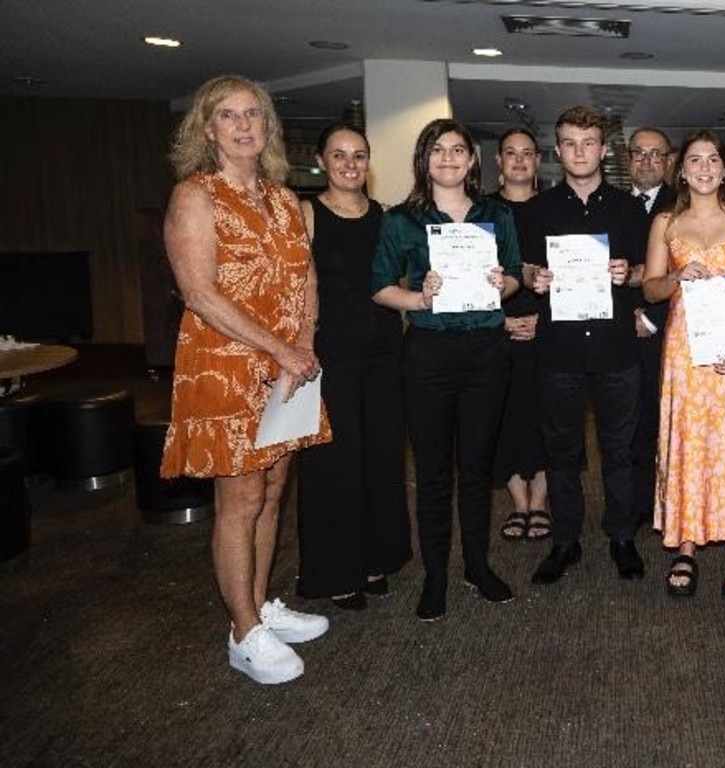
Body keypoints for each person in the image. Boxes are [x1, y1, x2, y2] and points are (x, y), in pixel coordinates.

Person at [160, 74, 331, 685]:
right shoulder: (195, 196)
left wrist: (303, 347)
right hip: (226, 364)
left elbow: (307, 279)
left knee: (273, 491)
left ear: (267, 127)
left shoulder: (285, 198)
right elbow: (199, 293)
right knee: (240, 500)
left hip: (288, 366)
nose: (242, 125)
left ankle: (258, 608)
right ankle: (241, 633)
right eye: (228, 116)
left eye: (253, 114)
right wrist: (282, 349)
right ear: (207, 128)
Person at [370, 118, 522, 622]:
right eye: (439, 150)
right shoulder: (400, 220)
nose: (450, 159)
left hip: (486, 352)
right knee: (433, 473)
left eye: (459, 150)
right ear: (424, 159)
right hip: (429, 354)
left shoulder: (496, 213)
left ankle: (476, 566)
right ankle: (435, 576)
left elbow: (516, 278)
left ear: (472, 160)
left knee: (476, 470)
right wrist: (420, 296)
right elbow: (380, 285)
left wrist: (501, 283)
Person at [518, 106, 649, 584]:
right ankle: (565, 541)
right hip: (561, 350)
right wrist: (536, 278)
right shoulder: (538, 210)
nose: (579, 151)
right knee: (561, 451)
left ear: (603, 149)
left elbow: (645, 275)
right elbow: (526, 271)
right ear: (558, 150)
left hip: (616, 348)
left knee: (620, 448)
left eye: (588, 142)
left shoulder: (630, 210)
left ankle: (621, 536)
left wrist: (627, 273)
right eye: (570, 143)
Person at [643, 129, 725, 600]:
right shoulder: (665, 223)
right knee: (688, 442)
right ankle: (687, 546)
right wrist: (675, 277)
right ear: (681, 169)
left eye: (712, 159)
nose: (703, 167)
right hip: (683, 352)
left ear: (723, 167)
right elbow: (650, 288)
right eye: (694, 159)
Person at [295, 123, 411, 611]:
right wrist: (301, 345)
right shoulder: (307, 213)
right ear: (323, 160)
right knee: (333, 462)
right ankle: (337, 570)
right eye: (339, 155)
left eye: (359, 155)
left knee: (382, 458)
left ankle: (374, 558)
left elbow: (399, 280)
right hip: (331, 354)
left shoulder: (385, 216)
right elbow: (302, 284)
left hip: (385, 350)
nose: (349, 164)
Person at [488, 128, 550, 542]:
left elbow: (572, 276)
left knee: (548, 415)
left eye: (527, 153)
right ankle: (519, 502)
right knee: (503, 415)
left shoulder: (555, 209)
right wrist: (501, 321)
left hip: (550, 326)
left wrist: (544, 319)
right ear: (498, 162)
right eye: (510, 153)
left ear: (539, 161)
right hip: (495, 328)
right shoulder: (479, 213)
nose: (519, 160)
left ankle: (541, 502)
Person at [627, 127, 676, 531]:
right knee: (633, 421)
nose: (646, 161)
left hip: (673, 329)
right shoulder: (609, 205)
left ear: (669, 160)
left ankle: (673, 500)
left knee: (673, 422)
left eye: (655, 154)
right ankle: (640, 502)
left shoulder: (685, 205)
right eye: (639, 154)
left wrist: (651, 317)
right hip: (621, 331)